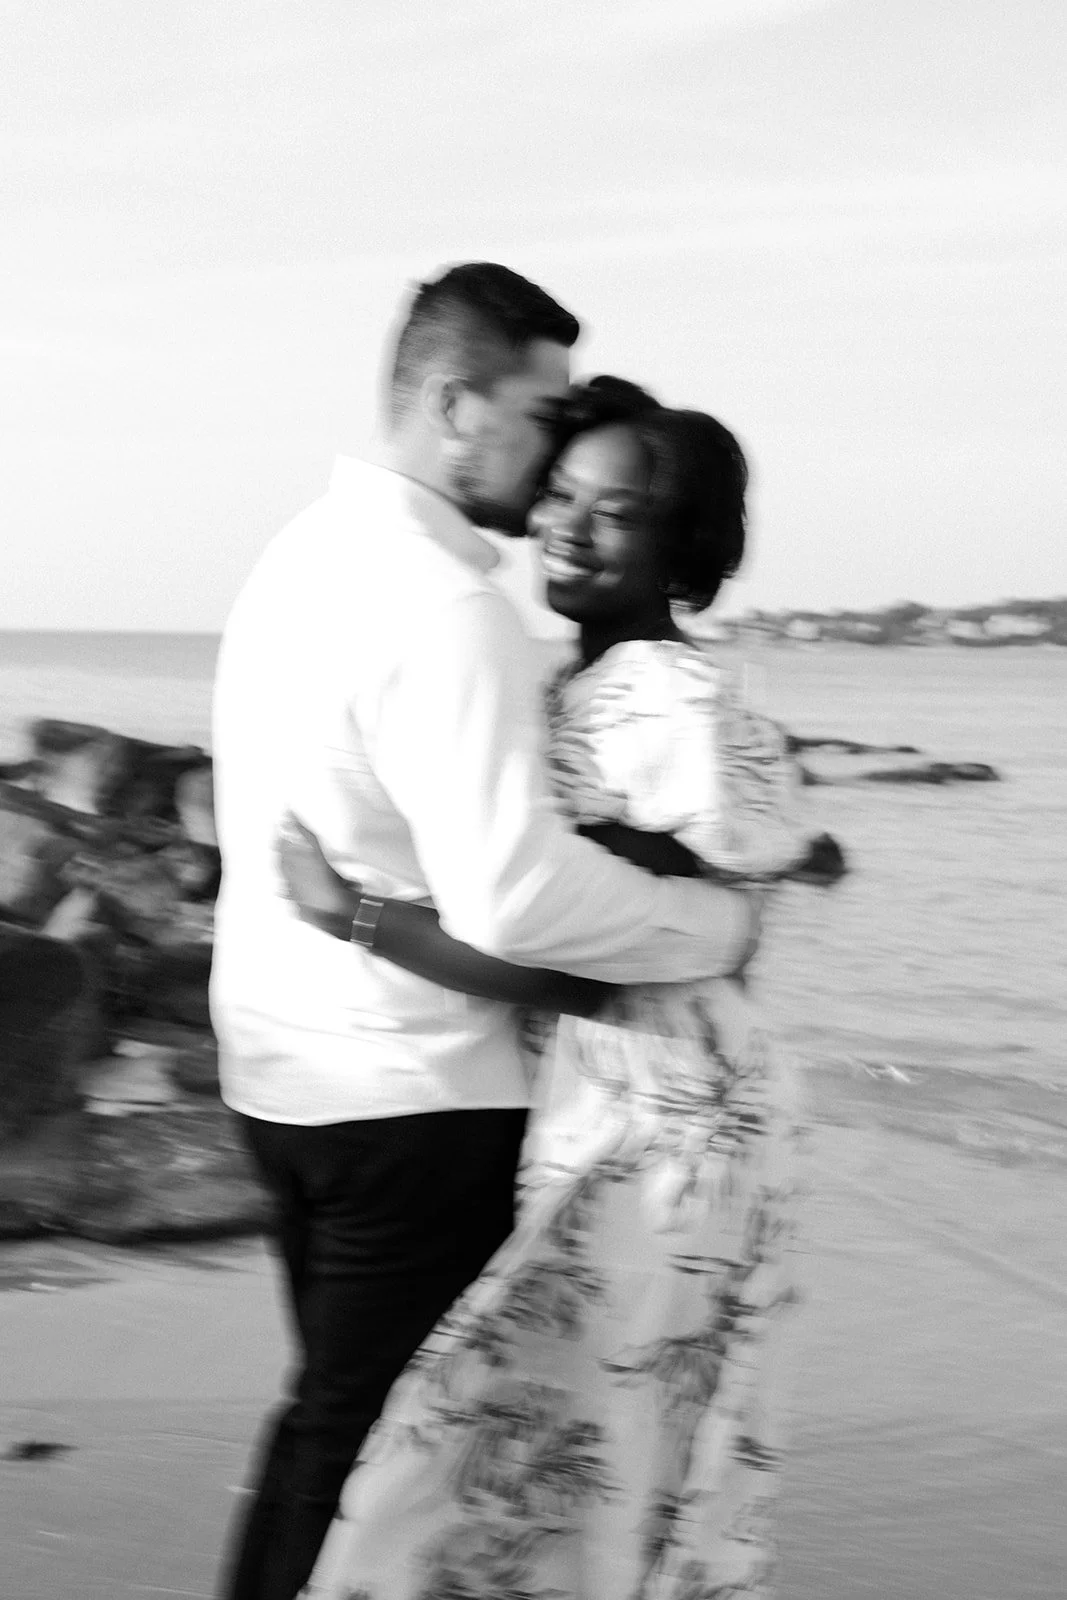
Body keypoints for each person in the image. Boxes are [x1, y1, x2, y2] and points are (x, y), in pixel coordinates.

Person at [210, 271, 758, 1600]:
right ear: (456, 406)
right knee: (382, 1458)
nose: (555, 441)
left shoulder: (297, 554)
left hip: (278, 1074)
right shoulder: (446, 607)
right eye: (541, 408)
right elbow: (517, 897)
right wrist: (709, 921)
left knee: (340, 1427)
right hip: (407, 1096)